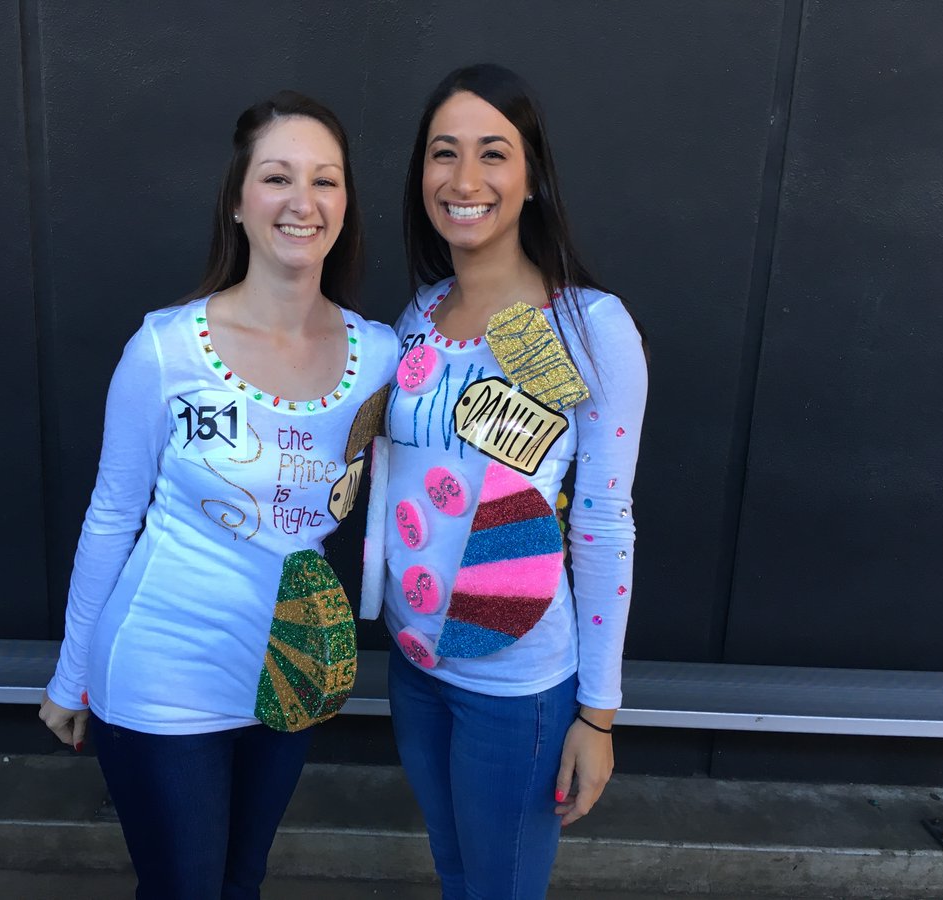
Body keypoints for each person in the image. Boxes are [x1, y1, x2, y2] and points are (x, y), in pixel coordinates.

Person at [38, 91, 398, 899]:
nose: (303, 201)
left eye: (325, 180)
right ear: (237, 201)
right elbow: (111, 517)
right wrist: (71, 677)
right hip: (165, 667)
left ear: (345, 204)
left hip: (290, 669)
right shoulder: (167, 348)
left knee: (242, 885)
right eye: (277, 177)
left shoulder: (380, 356)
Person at [380, 63, 648, 898]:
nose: (464, 180)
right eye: (444, 153)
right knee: (454, 869)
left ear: (532, 178)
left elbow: (603, 523)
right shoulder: (418, 315)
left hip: (516, 681)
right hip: (413, 662)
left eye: (493, 153)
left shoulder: (589, 328)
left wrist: (597, 713)